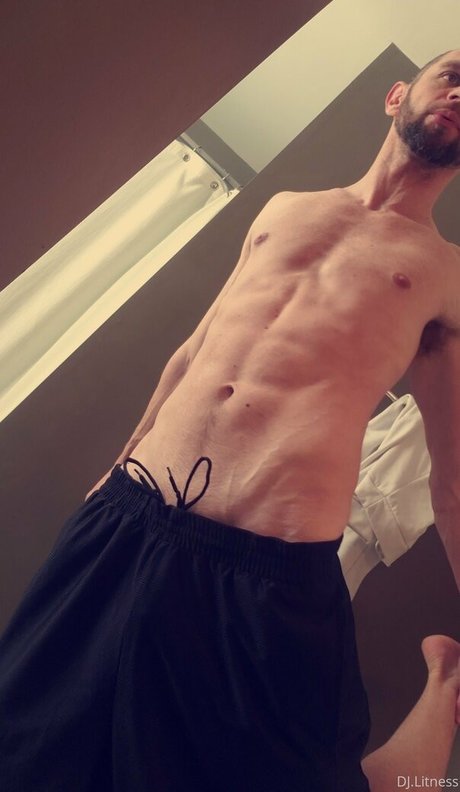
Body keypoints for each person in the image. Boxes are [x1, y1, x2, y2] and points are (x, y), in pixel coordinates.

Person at [1, 51, 460, 792]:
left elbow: (452, 478)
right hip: (131, 514)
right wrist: (118, 465)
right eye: (454, 74)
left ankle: (445, 684)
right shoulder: (285, 208)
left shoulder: (447, 275)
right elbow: (195, 351)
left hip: (266, 575)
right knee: (33, 741)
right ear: (398, 95)